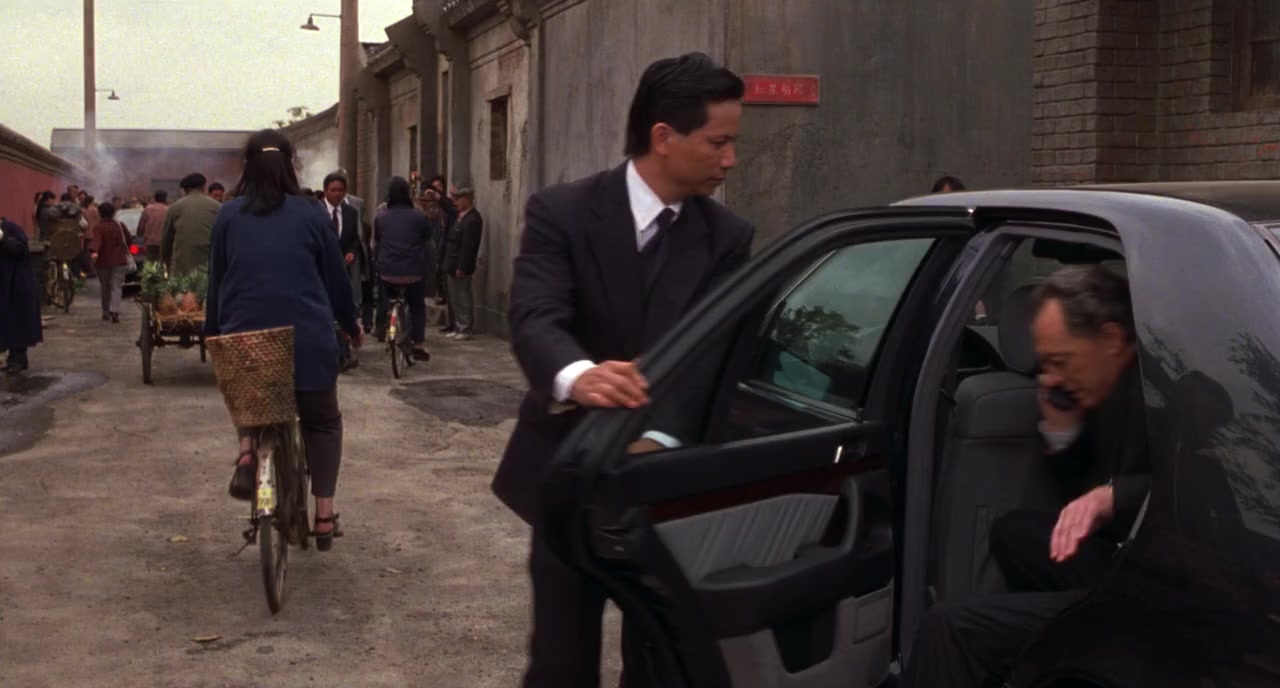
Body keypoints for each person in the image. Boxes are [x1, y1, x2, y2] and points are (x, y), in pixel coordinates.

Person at [493, 52, 753, 688]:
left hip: (667, 482)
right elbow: (535, 316)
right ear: (664, 136)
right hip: (567, 473)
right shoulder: (563, 211)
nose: (730, 160)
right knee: (560, 662)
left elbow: (713, 358)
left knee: (662, 662)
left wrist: (659, 437)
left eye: (732, 143)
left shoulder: (727, 237)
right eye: (717, 142)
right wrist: (576, 374)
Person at [903, 265, 1150, 688]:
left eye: (1059, 361)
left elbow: (1201, 494)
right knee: (1013, 531)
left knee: (949, 627)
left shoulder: (1169, 394)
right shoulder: (1103, 388)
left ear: (1111, 339)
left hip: (1155, 594)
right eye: (1044, 364)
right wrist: (1061, 430)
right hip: (1119, 560)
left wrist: (1114, 496)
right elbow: (1078, 492)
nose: (1050, 379)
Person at [204, 129, 361, 550]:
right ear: (291, 164)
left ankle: (246, 450)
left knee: (249, 391)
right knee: (322, 422)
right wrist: (350, 323)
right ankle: (324, 516)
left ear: (247, 167)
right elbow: (336, 278)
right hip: (307, 340)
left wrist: (214, 333)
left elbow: (217, 281)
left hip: (247, 337)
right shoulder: (311, 212)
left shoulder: (228, 215)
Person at [373, 176, 433, 361]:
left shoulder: (381, 218)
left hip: (388, 272)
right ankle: (418, 344)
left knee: (387, 298)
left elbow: (378, 240)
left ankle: (385, 325)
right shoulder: (419, 216)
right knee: (416, 307)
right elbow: (427, 238)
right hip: (413, 272)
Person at [322, 172, 367, 372]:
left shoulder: (351, 212)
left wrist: (351, 252)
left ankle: (344, 353)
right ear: (325, 191)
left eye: (341, 190)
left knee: (343, 307)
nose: (337, 194)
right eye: (333, 190)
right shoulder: (316, 211)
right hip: (322, 268)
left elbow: (354, 239)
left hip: (343, 269)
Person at [0, 219, 42, 374]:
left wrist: (3, 237)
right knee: (8, 323)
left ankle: (18, 360)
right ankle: (15, 359)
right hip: (5, 285)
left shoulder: (11, 229)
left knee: (16, 322)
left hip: (18, 284)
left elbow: (21, 250)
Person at [441, 187, 482, 340]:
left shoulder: (472, 220)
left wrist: (462, 267)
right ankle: (458, 325)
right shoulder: (461, 217)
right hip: (451, 264)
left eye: (458, 199)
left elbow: (468, 247)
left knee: (463, 296)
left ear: (466, 200)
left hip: (460, 265)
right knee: (455, 298)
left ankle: (465, 327)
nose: (456, 202)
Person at [160, 173, 220, 277]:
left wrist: (165, 262)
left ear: (185, 190)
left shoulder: (175, 208)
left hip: (183, 268)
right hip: (210, 267)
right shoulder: (217, 207)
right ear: (203, 187)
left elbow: (166, 240)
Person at [89, 202, 131, 324]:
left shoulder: (98, 227)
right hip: (120, 260)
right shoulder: (120, 226)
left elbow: (97, 241)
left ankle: (106, 311)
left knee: (105, 286)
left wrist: (94, 252)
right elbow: (129, 240)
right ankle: (115, 311)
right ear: (113, 213)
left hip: (103, 261)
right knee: (117, 286)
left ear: (100, 213)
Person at [136, 190, 170, 263]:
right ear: (165, 198)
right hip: (164, 242)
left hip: (150, 242)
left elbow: (141, 226)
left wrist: (140, 236)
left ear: (155, 198)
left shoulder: (148, 209)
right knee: (164, 262)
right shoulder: (168, 210)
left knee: (151, 263)